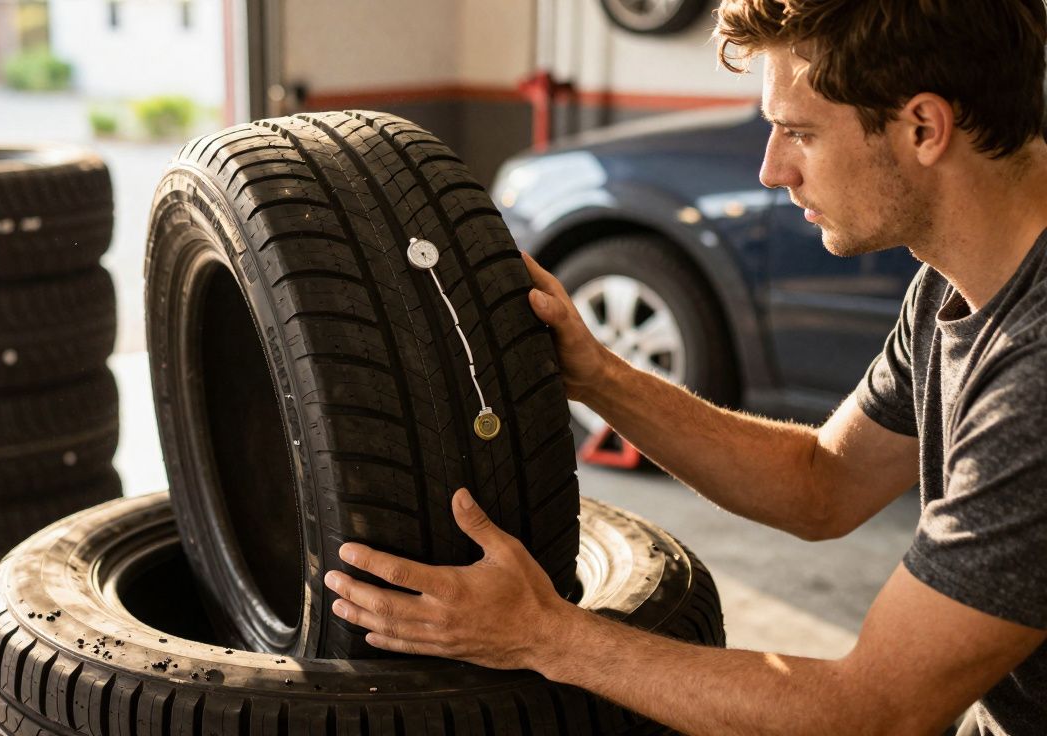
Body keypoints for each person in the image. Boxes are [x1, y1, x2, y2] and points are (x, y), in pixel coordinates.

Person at [321, 1, 1047, 733]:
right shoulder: (955, 283)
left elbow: (875, 713)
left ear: (924, 128)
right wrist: (599, 375)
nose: (772, 169)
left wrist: (541, 634)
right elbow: (824, 483)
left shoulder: (1036, 377)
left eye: (799, 132)